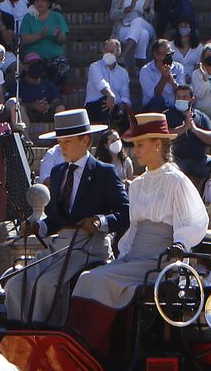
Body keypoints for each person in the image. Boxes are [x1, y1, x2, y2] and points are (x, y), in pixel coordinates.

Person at [65, 113, 208, 356]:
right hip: (135, 256)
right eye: (134, 145)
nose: (135, 151)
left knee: (96, 280)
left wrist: (180, 243)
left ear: (158, 144)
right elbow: (134, 228)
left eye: (140, 144)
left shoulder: (177, 181)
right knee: (86, 277)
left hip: (159, 259)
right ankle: (78, 346)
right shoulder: (138, 184)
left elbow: (195, 220)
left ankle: (90, 349)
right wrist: (124, 255)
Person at [8, 109, 130, 325]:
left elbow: (125, 212)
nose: (62, 147)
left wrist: (100, 222)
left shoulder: (104, 173)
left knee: (47, 283)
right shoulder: (57, 173)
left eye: (67, 141)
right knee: (17, 281)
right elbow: (55, 220)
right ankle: (19, 330)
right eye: (60, 142)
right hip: (60, 247)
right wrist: (38, 227)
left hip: (90, 247)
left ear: (85, 140)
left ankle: (47, 333)